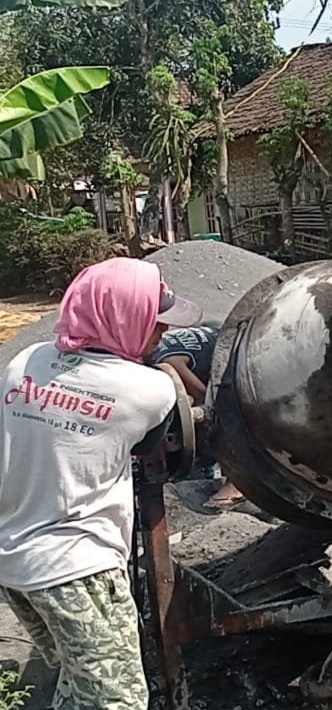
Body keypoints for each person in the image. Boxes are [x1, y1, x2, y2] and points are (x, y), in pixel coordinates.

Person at [0, 257, 202, 709]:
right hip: (76, 567)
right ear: (125, 319)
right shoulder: (149, 390)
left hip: (12, 558)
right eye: (155, 321)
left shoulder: (25, 361)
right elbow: (151, 444)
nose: (162, 333)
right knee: (119, 699)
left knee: (78, 682)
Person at [146, 321, 243, 511]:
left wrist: (206, 408)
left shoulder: (164, 361)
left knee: (228, 414)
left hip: (233, 356)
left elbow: (205, 400)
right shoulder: (152, 348)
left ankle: (237, 484)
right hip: (219, 335)